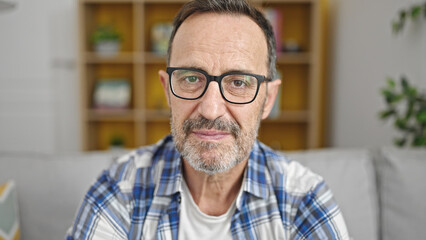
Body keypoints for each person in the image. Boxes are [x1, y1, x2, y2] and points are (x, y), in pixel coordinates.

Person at [67, 0, 349, 239]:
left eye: (239, 82)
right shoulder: (121, 188)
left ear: (268, 100)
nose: (211, 110)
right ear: (168, 90)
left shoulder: (305, 201)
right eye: (191, 78)